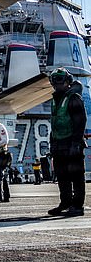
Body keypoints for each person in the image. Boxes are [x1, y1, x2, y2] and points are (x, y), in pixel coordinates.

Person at [46, 68, 87, 217]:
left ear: (68, 82)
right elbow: (54, 123)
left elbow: (80, 122)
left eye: (60, 81)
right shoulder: (56, 100)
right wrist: (53, 144)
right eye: (54, 82)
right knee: (62, 176)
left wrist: (75, 144)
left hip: (71, 143)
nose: (57, 85)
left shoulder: (73, 98)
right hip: (59, 145)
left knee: (76, 176)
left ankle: (77, 206)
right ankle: (66, 203)